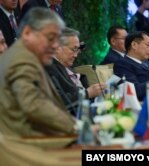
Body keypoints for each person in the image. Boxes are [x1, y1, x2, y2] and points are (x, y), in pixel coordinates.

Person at [0, 7, 78, 137]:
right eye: (50, 38)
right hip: (27, 147)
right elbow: (33, 105)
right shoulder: (22, 60)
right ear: (27, 33)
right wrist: (78, 127)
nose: (55, 45)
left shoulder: (27, 57)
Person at [45, 27, 106, 115]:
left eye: (78, 50)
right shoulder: (48, 67)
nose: (76, 55)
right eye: (74, 49)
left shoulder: (62, 66)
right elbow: (58, 101)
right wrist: (87, 93)